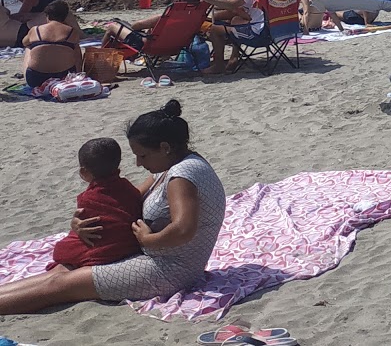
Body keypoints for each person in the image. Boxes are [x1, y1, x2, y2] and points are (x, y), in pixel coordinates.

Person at [0, 100, 226, 313]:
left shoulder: (182, 177)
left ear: (165, 147)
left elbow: (184, 229)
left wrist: (148, 240)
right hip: (155, 258)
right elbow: (127, 198)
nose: (138, 163)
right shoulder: (173, 166)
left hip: (169, 270)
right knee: (63, 270)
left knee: (61, 284)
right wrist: (78, 222)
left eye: (142, 155)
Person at [49, 139, 144, 271]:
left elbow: (91, 228)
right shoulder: (127, 186)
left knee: (62, 249)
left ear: (83, 172)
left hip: (108, 249)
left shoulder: (88, 198)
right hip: (130, 244)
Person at [22, 0, 84, 90]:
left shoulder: (36, 30)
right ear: (65, 16)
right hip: (64, 76)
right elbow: (77, 57)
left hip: (36, 79)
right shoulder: (71, 31)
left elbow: (24, 42)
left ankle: (25, 74)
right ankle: (77, 74)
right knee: (75, 46)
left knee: (29, 47)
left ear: (47, 15)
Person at [202, 0, 264, 75]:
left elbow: (232, 4)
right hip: (271, 32)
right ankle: (234, 56)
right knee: (235, 20)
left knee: (214, 30)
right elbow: (241, 10)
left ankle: (218, 65)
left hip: (256, 34)